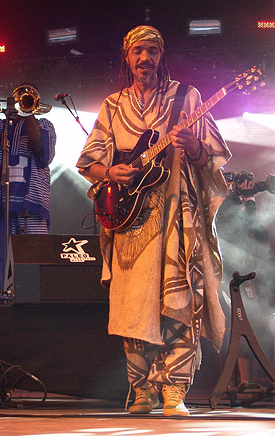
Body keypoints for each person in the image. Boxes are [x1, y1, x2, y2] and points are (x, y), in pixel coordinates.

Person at [76, 26, 231, 416]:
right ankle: (140, 391)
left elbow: (212, 158)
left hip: (178, 214)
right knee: (134, 305)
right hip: (131, 222)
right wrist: (111, 173)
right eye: (137, 52)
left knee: (179, 300)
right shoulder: (113, 105)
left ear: (161, 56)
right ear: (126, 57)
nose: (144, 58)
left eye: (152, 51)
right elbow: (87, 162)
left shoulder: (188, 97)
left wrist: (193, 146)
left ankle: (175, 391)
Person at [0, 84, 56, 300]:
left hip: (34, 202)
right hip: (2, 201)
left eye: (28, 100)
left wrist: (28, 114)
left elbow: (42, 152)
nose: (23, 103)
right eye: (21, 99)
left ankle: (36, 301)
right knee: (0, 260)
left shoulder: (44, 124)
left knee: (34, 259)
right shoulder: (1, 126)